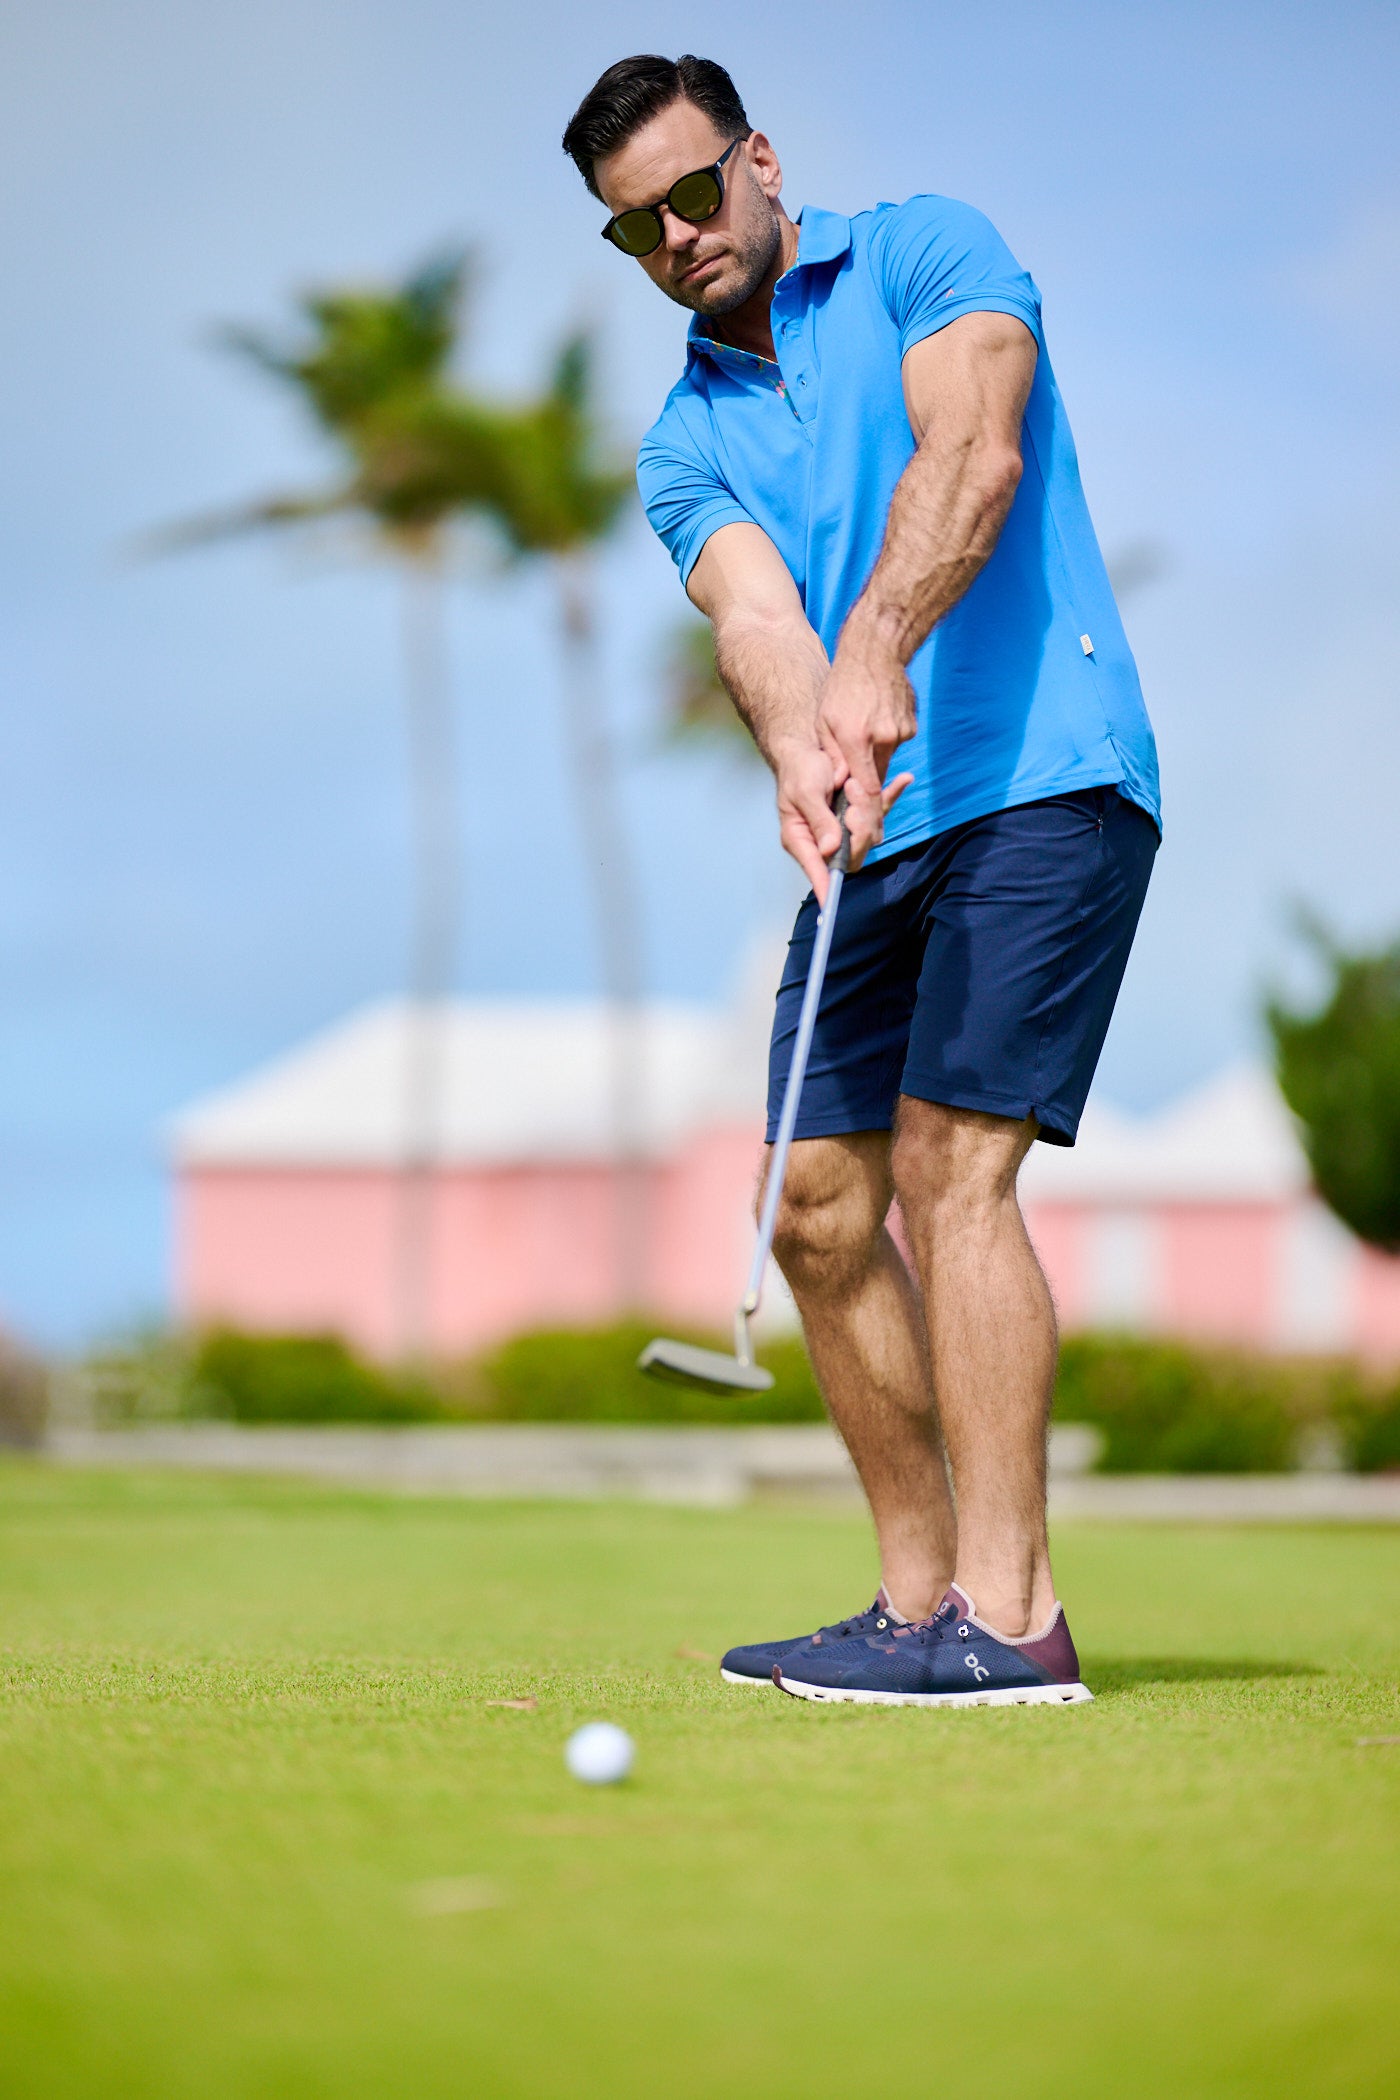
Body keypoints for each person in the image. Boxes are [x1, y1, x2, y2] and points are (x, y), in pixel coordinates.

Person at [561, 55, 1160, 1706]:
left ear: (757, 161)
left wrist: (879, 644)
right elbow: (756, 623)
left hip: (1044, 778)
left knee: (946, 1171)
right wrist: (794, 743)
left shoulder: (925, 253)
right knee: (822, 1206)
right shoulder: (681, 443)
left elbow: (972, 452)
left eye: (693, 194)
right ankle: (916, 1605)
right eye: (635, 231)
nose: (677, 237)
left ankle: (1013, 1612)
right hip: (879, 823)